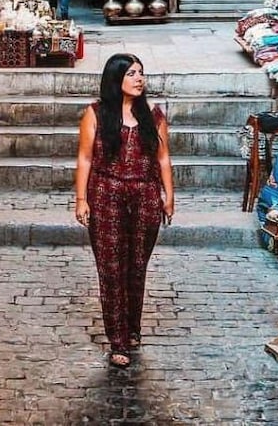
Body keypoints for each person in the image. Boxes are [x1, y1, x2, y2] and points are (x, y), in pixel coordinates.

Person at [74, 54, 174, 369]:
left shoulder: (154, 117)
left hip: (144, 196)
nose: (138, 79)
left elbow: (163, 159)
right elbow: (85, 159)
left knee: (136, 267)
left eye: (141, 73)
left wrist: (168, 196)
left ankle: (132, 328)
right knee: (111, 269)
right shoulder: (95, 115)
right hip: (106, 195)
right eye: (131, 73)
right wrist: (81, 199)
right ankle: (117, 339)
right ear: (116, 79)